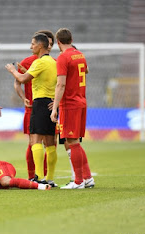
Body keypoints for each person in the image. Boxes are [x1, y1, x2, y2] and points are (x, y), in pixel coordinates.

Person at [5, 33, 57, 185]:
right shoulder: (54, 62)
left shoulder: (39, 63)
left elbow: (21, 79)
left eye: (33, 44)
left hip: (40, 103)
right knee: (50, 142)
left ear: (40, 45)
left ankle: (39, 177)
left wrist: (11, 70)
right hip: (51, 104)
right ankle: (50, 178)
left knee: (35, 139)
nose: (31, 46)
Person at [50, 28, 95, 189]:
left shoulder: (63, 57)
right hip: (81, 101)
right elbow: (86, 70)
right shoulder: (79, 54)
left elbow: (61, 84)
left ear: (58, 42)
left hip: (69, 104)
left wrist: (55, 107)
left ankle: (78, 181)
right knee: (75, 142)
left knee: (72, 141)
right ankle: (88, 178)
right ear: (71, 39)